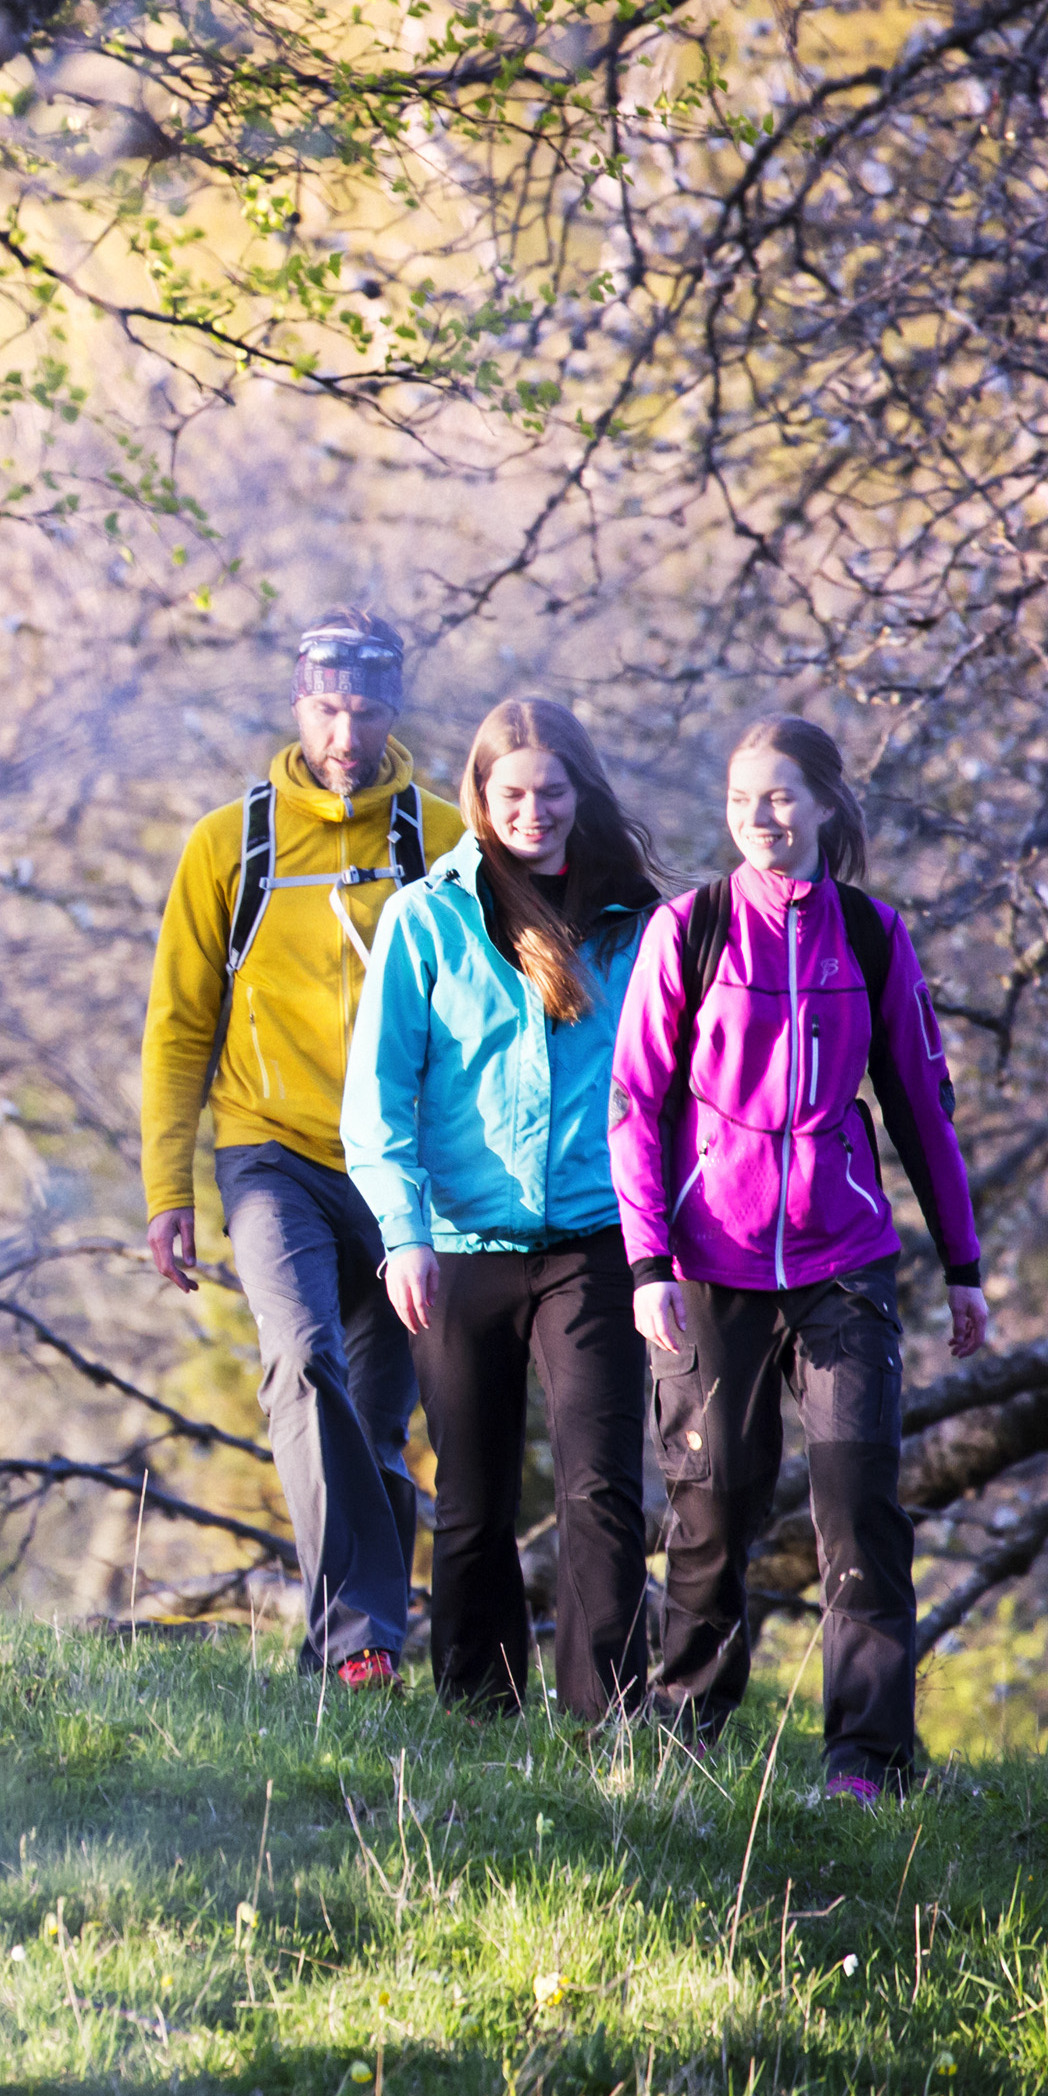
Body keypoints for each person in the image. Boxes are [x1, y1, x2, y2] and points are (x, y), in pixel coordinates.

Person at [609, 714, 990, 1803]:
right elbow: (634, 1104)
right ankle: (685, 1730)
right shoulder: (689, 927)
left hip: (844, 1258)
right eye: (741, 800)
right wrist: (647, 1263)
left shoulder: (871, 936)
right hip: (708, 1261)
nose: (759, 817)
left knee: (860, 1507)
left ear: (825, 802)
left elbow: (921, 1107)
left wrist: (961, 1264)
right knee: (711, 1506)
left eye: (779, 796)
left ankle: (865, 1761)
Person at [140, 608, 461, 1687]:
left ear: (394, 707)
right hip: (270, 1154)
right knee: (302, 1358)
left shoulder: (445, 842)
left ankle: (352, 1651)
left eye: (366, 709)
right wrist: (167, 1190)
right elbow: (179, 1027)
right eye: (326, 708)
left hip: (404, 1168)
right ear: (296, 703)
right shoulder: (228, 845)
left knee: (376, 1419)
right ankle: (362, 1641)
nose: (345, 733)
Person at [341, 698, 665, 1721]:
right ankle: (477, 1711)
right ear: (479, 796)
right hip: (458, 1245)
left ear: (582, 792)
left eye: (551, 790)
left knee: (599, 1488)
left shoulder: (637, 922)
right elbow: (377, 1100)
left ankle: (605, 1716)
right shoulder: (424, 918)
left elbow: (670, 1084)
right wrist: (403, 1236)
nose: (533, 810)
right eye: (511, 791)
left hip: (595, 1241)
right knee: (472, 1496)